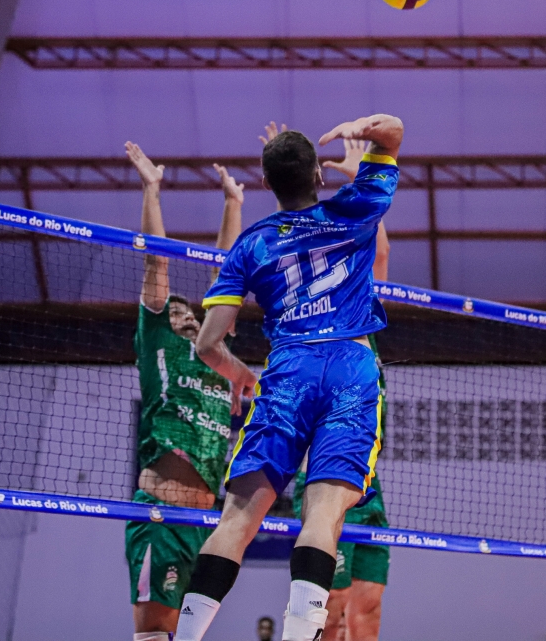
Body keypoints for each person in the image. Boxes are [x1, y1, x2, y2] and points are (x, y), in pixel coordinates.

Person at [175, 114, 404, 641]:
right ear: (319, 176)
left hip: (289, 370)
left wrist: (239, 373)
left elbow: (207, 344)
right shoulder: (353, 209)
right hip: (350, 368)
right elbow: (393, 130)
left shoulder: (251, 244)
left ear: (265, 183)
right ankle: (302, 634)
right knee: (323, 516)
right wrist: (364, 132)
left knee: (238, 518)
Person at [265, 124, 392, 641]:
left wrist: (359, 176)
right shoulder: (302, 329)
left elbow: (377, 251)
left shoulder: (362, 315)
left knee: (367, 611)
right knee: (331, 607)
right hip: (324, 469)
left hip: (367, 478)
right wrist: (287, 174)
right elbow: (288, 243)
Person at [123, 141, 246, 641]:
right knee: (155, 633)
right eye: (176, 312)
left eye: (193, 313)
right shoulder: (160, 345)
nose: (188, 314)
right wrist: (151, 191)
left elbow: (225, 278)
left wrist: (233, 203)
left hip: (206, 521)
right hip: (162, 514)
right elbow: (158, 264)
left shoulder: (217, 356)